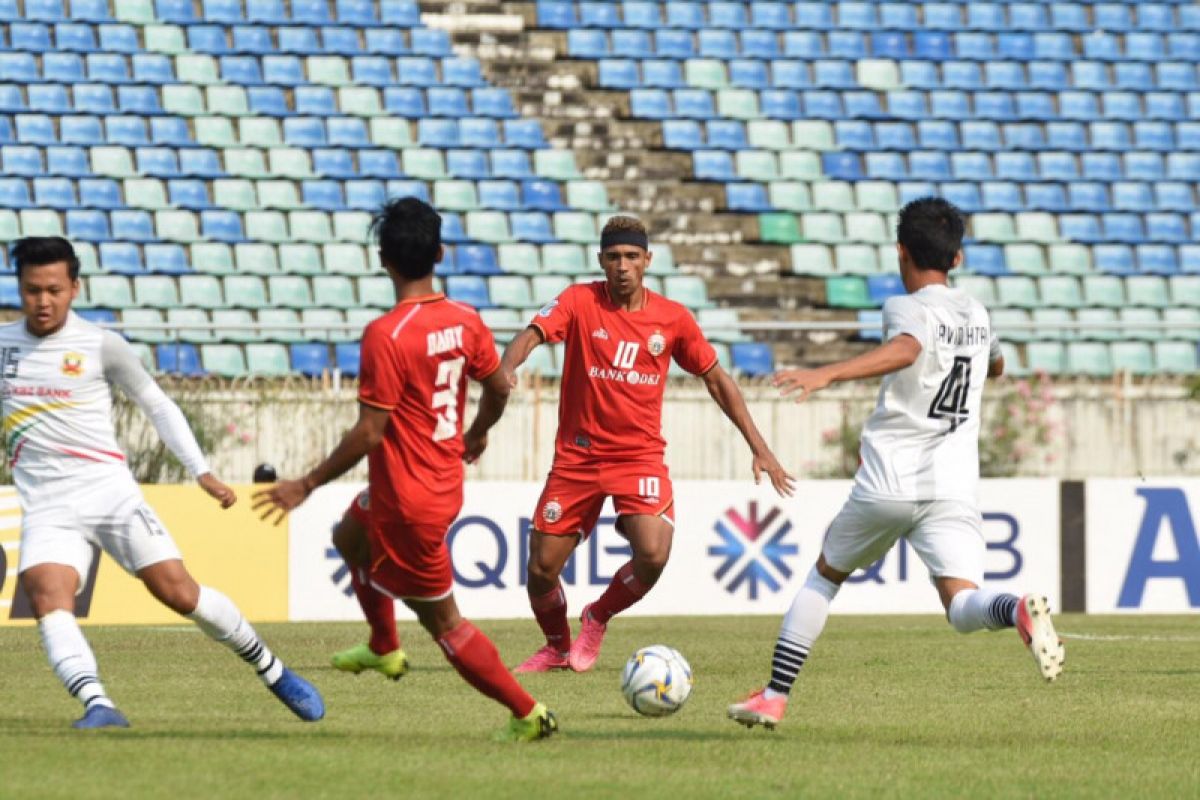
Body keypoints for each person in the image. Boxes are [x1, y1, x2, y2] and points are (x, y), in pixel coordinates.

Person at [728, 198, 1065, 731]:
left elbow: (908, 349)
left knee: (824, 578)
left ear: (901, 252)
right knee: (962, 606)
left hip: (889, 482)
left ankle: (774, 695)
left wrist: (828, 374)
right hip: (951, 486)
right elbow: (997, 364)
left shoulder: (905, 306)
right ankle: (1017, 608)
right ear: (957, 258)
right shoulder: (978, 313)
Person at [253, 197, 558, 742]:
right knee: (349, 536)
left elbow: (371, 430)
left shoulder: (387, 335)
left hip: (409, 502)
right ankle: (383, 647)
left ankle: (528, 713)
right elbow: (498, 386)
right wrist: (479, 431)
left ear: (383, 261)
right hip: (438, 483)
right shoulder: (466, 320)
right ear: (440, 253)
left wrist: (306, 483)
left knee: (446, 624)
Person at [6, 236, 323, 729]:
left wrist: (202, 471)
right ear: (19, 289)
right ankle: (99, 705)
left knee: (179, 593)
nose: (42, 301)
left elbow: (157, 404)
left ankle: (273, 670)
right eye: (31, 290)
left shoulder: (101, 345)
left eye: (53, 289)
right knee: (47, 598)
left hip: (110, 493)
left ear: (74, 287)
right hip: (48, 504)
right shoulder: (5, 348)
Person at [501, 215, 795, 674]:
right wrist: (507, 364)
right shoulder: (579, 301)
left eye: (632, 257)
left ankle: (597, 616)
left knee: (655, 552)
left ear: (647, 261)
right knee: (540, 568)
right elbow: (531, 335)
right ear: (601, 260)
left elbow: (717, 380)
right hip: (578, 457)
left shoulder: (672, 318)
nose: (622, 266)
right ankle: (557, 646)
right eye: (614, 257)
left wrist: (759, 446)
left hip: (638, 456)